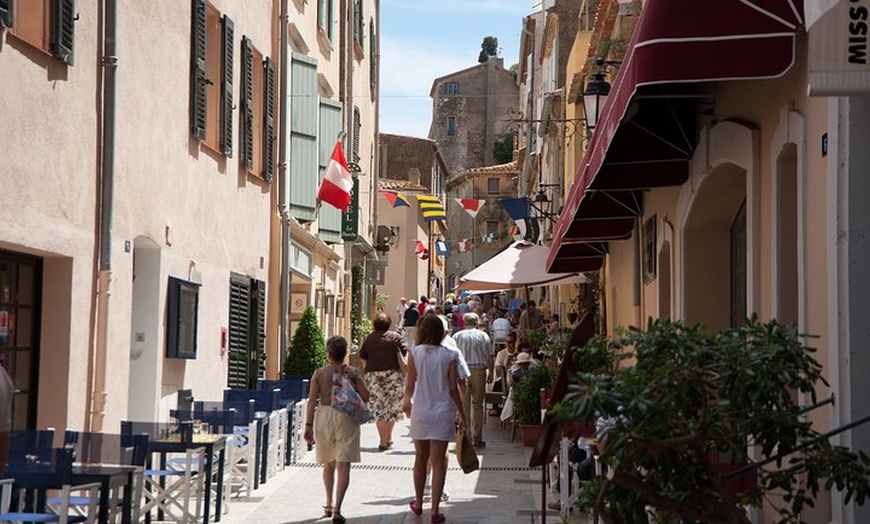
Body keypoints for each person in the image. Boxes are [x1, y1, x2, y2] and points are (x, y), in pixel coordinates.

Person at [402, 314, 466, 524]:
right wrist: (462, 413)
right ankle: (435, 510)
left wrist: (406, 401)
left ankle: (419, 503)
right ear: (442, 332)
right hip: (442, 411)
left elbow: (410, 383)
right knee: (438, 462)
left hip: (421, 410)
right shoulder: (450, 353)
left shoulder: (416, 352)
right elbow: (453, 387)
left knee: (420, 458)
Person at [303, 336, 370, 524]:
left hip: (324, 416)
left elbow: (311, 401)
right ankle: (338, 510)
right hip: (347, 417)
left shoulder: (319, 373)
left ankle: (328, 503)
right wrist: (354, 380)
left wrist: (308, 425)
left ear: (328, 353)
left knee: (328, 464)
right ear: (345, 353)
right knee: (344, 465)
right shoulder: (353, 372)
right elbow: (366, 396)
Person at [359, 312, 406, 451]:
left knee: (379, 409)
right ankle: (388, 437)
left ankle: (382, 440)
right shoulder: (396, 337)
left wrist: (368, 370)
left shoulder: (369, 338)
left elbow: (363, 357)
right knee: (392, 408)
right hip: (393, 376)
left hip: (374, 376)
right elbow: (404, 355)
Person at [452, 312, 494, 448]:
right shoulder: (484, 336)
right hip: (478, 371)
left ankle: (467, 436)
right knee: (477, 404)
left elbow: (452, 357)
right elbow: (490, 355)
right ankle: (477, 437)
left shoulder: (457, 336)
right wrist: (491, 372)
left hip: (462, 372)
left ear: (464, 323)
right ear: (477, 323)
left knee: (464, 404)